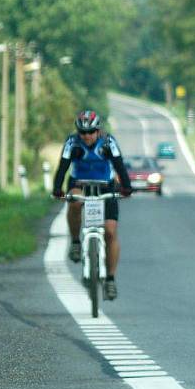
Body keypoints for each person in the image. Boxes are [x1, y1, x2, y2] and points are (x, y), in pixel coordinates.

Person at [53, 109, 132, 300]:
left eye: (90, 132)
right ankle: (75, 242)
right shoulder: (72, 143)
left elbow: (119, 164)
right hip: (80, 183)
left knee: (110, 231)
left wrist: (127, 187)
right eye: (82, 133)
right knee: (73, 202)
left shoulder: (108, 142)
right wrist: (57, 189)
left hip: (106, 185)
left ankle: (110, 279)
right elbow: (62, 167)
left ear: (98, 130)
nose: (87, 136)